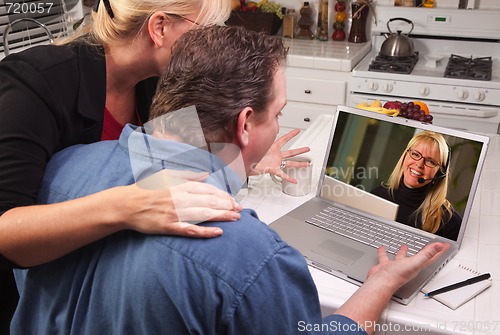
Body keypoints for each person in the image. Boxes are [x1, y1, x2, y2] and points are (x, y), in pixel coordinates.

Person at [12, 25, 449, 335]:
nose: (278, 124)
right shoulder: (251, 257)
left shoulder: (61, 169)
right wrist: (382, 283)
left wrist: (241, 163)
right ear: (244, 124)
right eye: (277, 114)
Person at [0, 0, 308, 330]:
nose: (212, 43)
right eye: (204, 30)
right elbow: (6, 230)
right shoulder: (36, 84)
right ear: (159, 27)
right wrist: (128, 205)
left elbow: (189, 153)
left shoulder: (158, 83)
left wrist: (243, 157)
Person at [371, 131, 462, 240]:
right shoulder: (377, 196)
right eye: (415, 154)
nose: (419, 164)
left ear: (439, 173)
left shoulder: (450, 222)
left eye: (431, 161)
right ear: (405, 157)